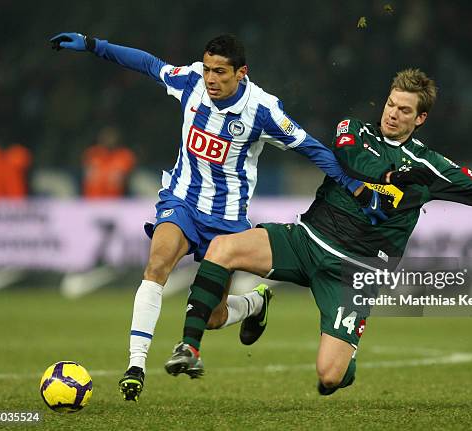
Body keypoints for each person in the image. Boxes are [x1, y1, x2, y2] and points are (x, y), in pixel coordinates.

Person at [166, 68, 472, 395]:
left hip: (356, 271)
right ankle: (191, 346)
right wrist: (392, 175)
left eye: (404, 110)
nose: (392, 113)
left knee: (329, 377)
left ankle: (343, 358)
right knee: (222, 248)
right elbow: (352, 161)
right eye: (391, 103)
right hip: (306, 239)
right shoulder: (353, 129)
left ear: (419, 118)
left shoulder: (430, 166)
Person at [49, 32, 389, 401]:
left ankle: (255, 304)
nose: (211, 79)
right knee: (157, 265)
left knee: (213, 317)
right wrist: (92, 44)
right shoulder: (192, 81)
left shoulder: (263, 109)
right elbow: (148, 64)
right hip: (181, 202)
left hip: (227, 223)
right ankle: (135, 367)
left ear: (241, 72)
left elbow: (310, 147)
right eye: (208, 69)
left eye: (220, 72)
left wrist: (352, 184)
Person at [82, 126, 136, 198]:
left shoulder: (124, 155)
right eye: (106, 136)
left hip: (116, 201)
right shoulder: (92, 153)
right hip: (92, 200)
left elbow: (119, 181)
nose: (109, 139)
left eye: (111, 137)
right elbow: (89, 177)